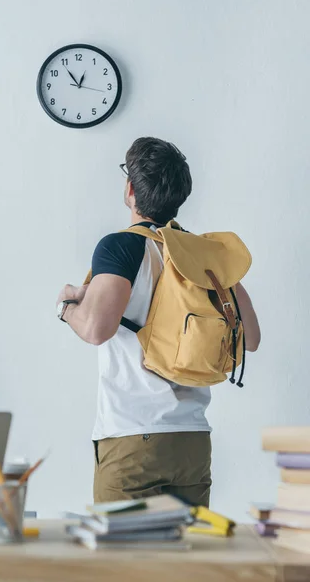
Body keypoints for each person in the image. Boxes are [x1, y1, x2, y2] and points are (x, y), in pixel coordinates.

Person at [56, 137, 261, 507]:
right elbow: (252, 337)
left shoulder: (120, 247)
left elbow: (96, 329)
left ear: (130, 189)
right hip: (193, 440)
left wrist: (67, 305)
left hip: (133, 438)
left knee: (124, 564)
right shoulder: (203, 255)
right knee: (186, 563)